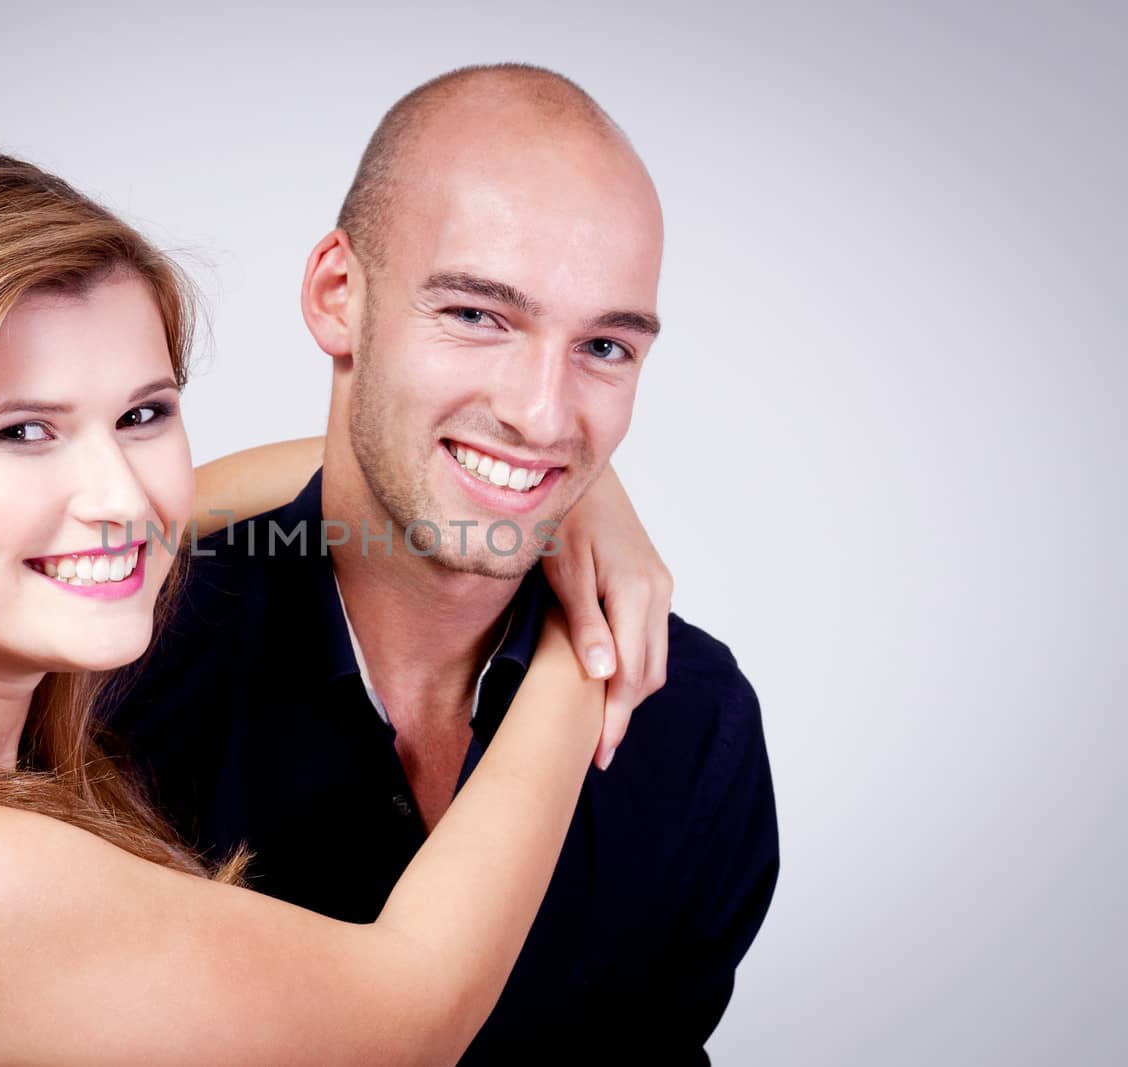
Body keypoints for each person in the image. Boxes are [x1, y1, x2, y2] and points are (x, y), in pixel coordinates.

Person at [0, 148, 675, 1065]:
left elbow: (150, 518)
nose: (116, 496)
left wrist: (529, 477)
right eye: (22, 431)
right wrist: (588, 631)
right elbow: (406, 1015)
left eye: (143, 412)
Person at [103, 64, 781, 1064]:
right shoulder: (110, 664)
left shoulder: (695, 719)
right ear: (339, 295)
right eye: (476, 314)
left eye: (603, 346)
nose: (542, 413)